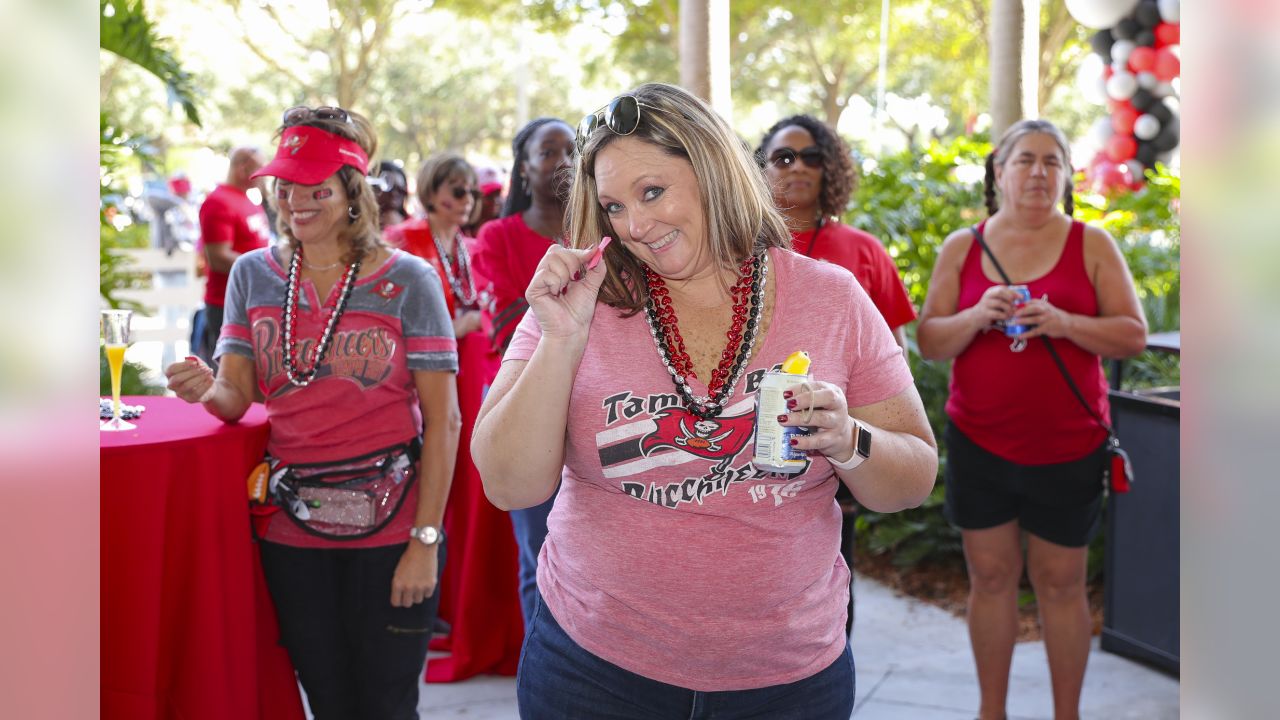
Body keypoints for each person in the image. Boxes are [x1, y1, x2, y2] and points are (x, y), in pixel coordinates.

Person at [471, 83, 938, 719]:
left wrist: (850, 439)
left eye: (653, 192)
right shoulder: (579, 301)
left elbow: (912, 478)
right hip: (592, 671)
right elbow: (508, 484)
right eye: (613, 205)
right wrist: (561, 338)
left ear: (715, 171)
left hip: (787, 681)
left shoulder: (831, 298)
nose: (635, 225)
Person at [164, 106, 461, 720]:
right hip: (291, 531)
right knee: (327, 701)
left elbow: (445, 421)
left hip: (394, 528)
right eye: (286, 186)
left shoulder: (410, 280)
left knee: (386, 705)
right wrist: (203, 389)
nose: (296, 201)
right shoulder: (253, 274)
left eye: (314, 188)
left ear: (351, 193)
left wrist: (425, 541)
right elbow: (236, 397)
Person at [917, 119, 1147, 720]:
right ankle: (990, 712)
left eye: (1052, 161)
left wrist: (1067, 322)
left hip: (1068, 446)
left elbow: (1132, 335)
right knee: (990, 580)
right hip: (980, 443)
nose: (1039, 172)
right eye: (1025, 160)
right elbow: (931, 341)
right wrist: (974, 316)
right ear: (1000, 172)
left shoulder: (1091, 244)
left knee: (1061, 584)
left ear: (1067, 175)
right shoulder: (962, 247)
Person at [386, 154, 517, 682]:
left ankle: (457, 610)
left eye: (470, 194)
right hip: (427, 382)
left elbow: (479, 308)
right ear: (431, 190)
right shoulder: (406, 238)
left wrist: (471, 320)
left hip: (473, 376)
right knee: (442, 492)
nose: (466, 202)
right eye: (455, 191)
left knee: (468, 497)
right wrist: (461, 320)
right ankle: (440, 608)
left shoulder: (467, 245)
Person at [471, 116, 575, 625]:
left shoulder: (608, 229)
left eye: (573, 150)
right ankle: (547, 668)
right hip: (524, 401)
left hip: (595, 401)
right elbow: (508, 325)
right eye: (548, 151)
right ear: (525, 166)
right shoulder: (497, 236)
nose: (564, 162)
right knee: (539, 550)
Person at [756, 115, 916, 352]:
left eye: (812, 158)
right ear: (760, 170)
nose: (798, 167)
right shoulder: (739, 245)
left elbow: (894, 352)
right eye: (784, 158)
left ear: (829, 169)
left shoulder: (866, 249)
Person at [198, 146, 273, 364]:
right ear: (243, 168)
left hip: (254, 301)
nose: (263, 175)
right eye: (259, 169)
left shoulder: (248, 200)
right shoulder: (218, 202)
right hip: (226, 304)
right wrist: (267, 270)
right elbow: (217, 257)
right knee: (228, 374)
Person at [463, 165, 505, 237]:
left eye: (498, 194)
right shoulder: (461, 226)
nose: (496, 200)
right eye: (489, 196)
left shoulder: (503, 229)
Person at [373, 160, 410, 229]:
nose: (394, 194)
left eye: (400, 190)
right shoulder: (360, 222)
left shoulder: (412, 225)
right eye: (389, 188)